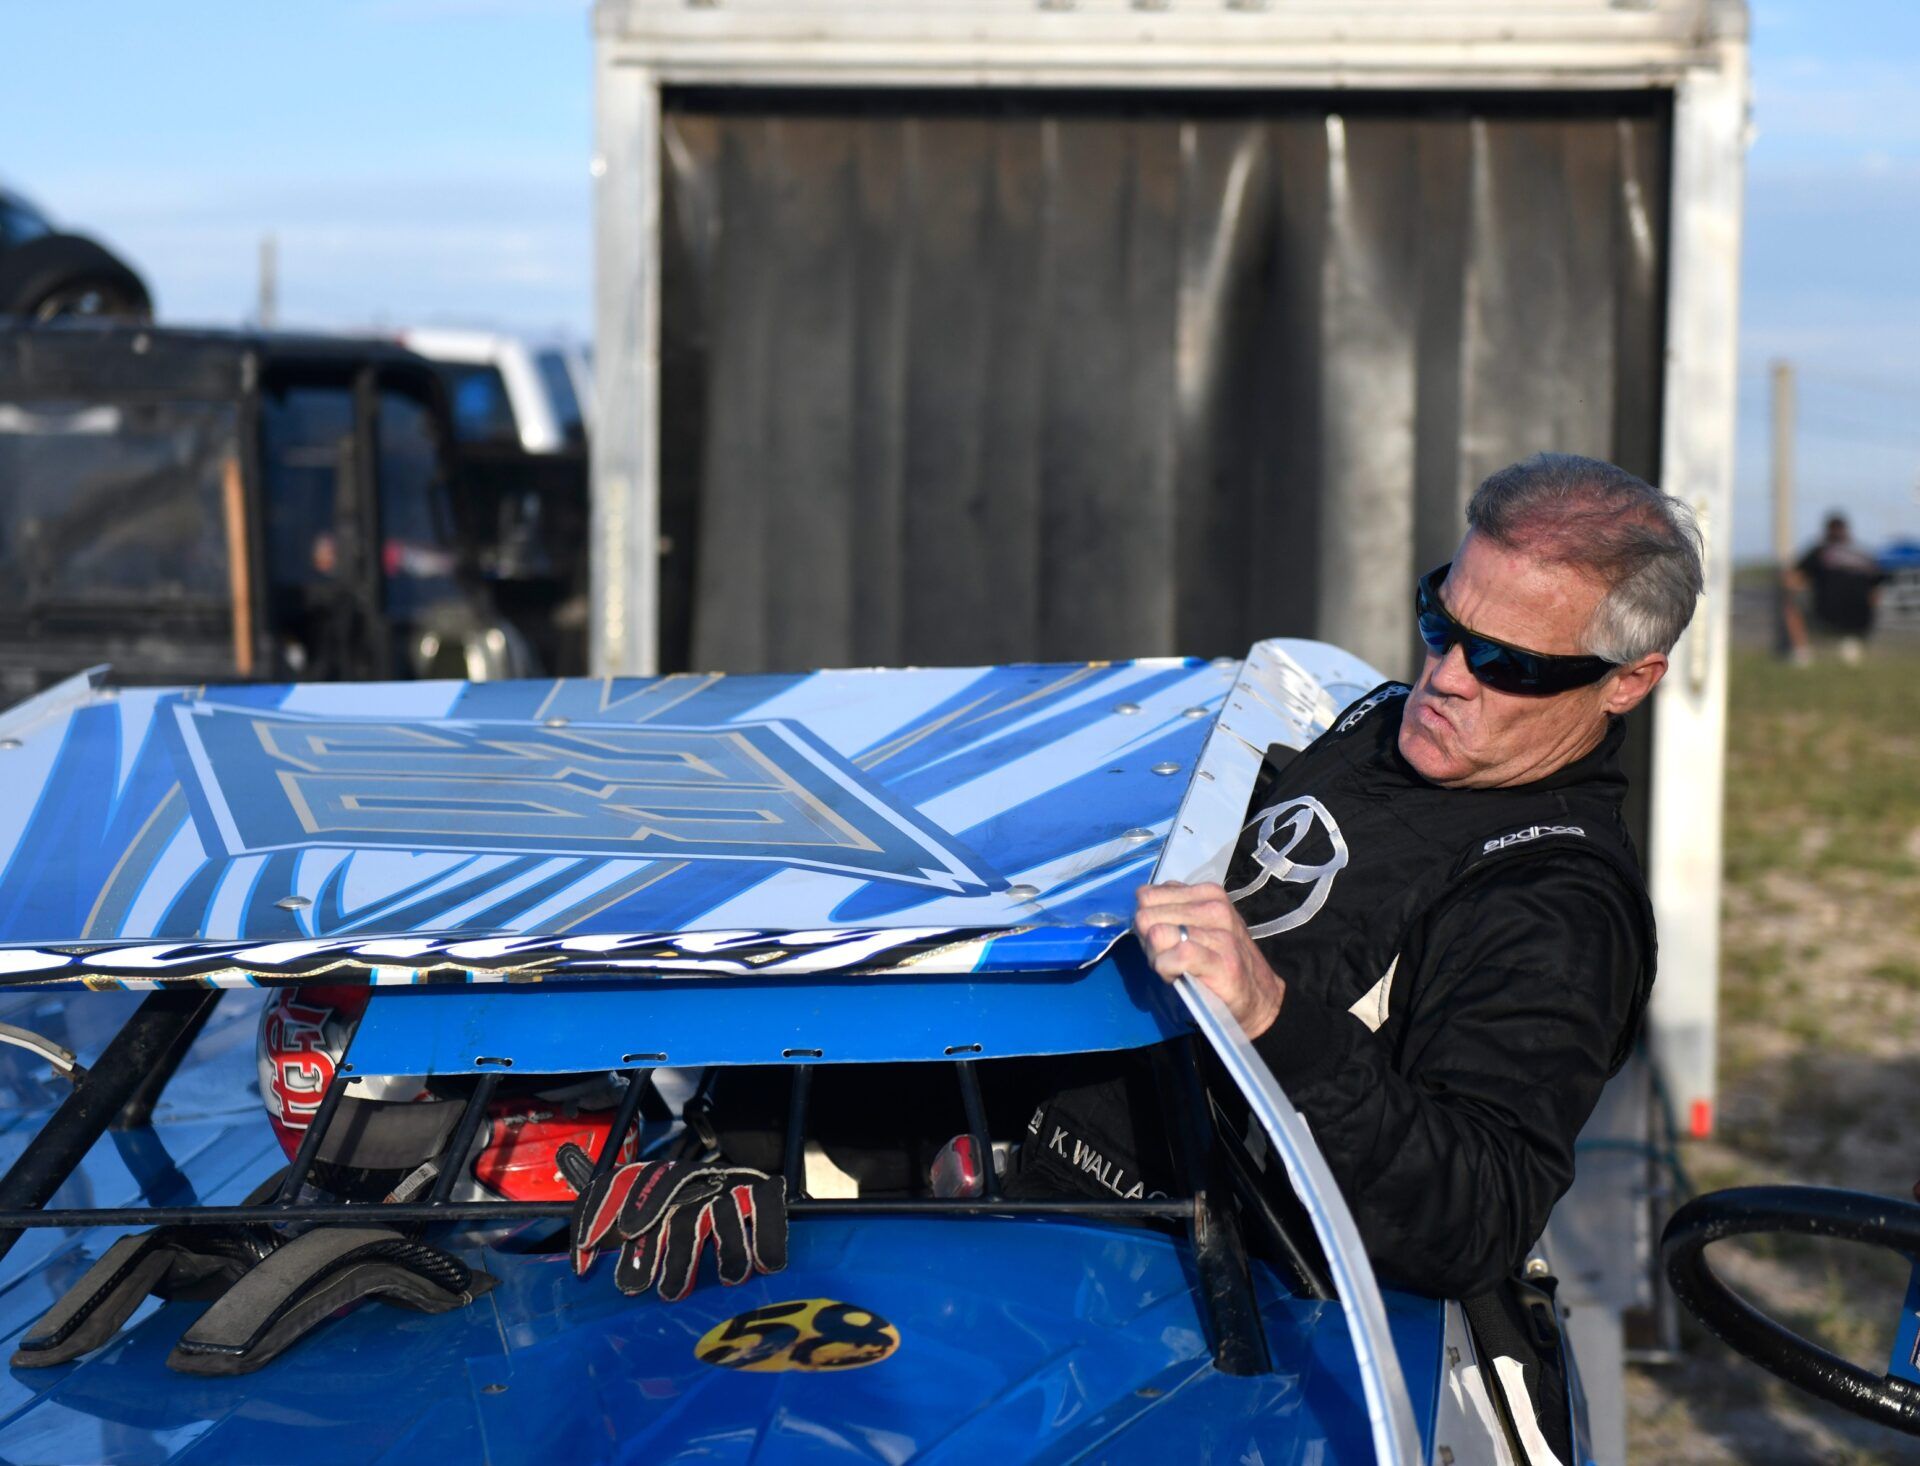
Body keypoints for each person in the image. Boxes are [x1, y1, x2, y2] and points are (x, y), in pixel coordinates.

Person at [1132, 453, 1699, 1433]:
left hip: (1261, 1330)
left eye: (1510, 664)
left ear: (1628, 682)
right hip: (1079, 1203)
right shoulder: (1366, 720)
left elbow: (1473, 1217)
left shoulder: (1556, 905)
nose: (1444, 678)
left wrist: (1272, 1016)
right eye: (1443, 620)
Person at [1786, 512, 1884, 665]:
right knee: (1866, 602)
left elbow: (1792, 580)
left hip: (1827, 613)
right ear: (1847, 531)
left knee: (1792, 605)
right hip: (1862, 618)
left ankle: (1802, 653)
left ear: (1827, 532)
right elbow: (1876, 592)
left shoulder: (1820, 551)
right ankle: (1851, 642)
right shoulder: (1864, 555)